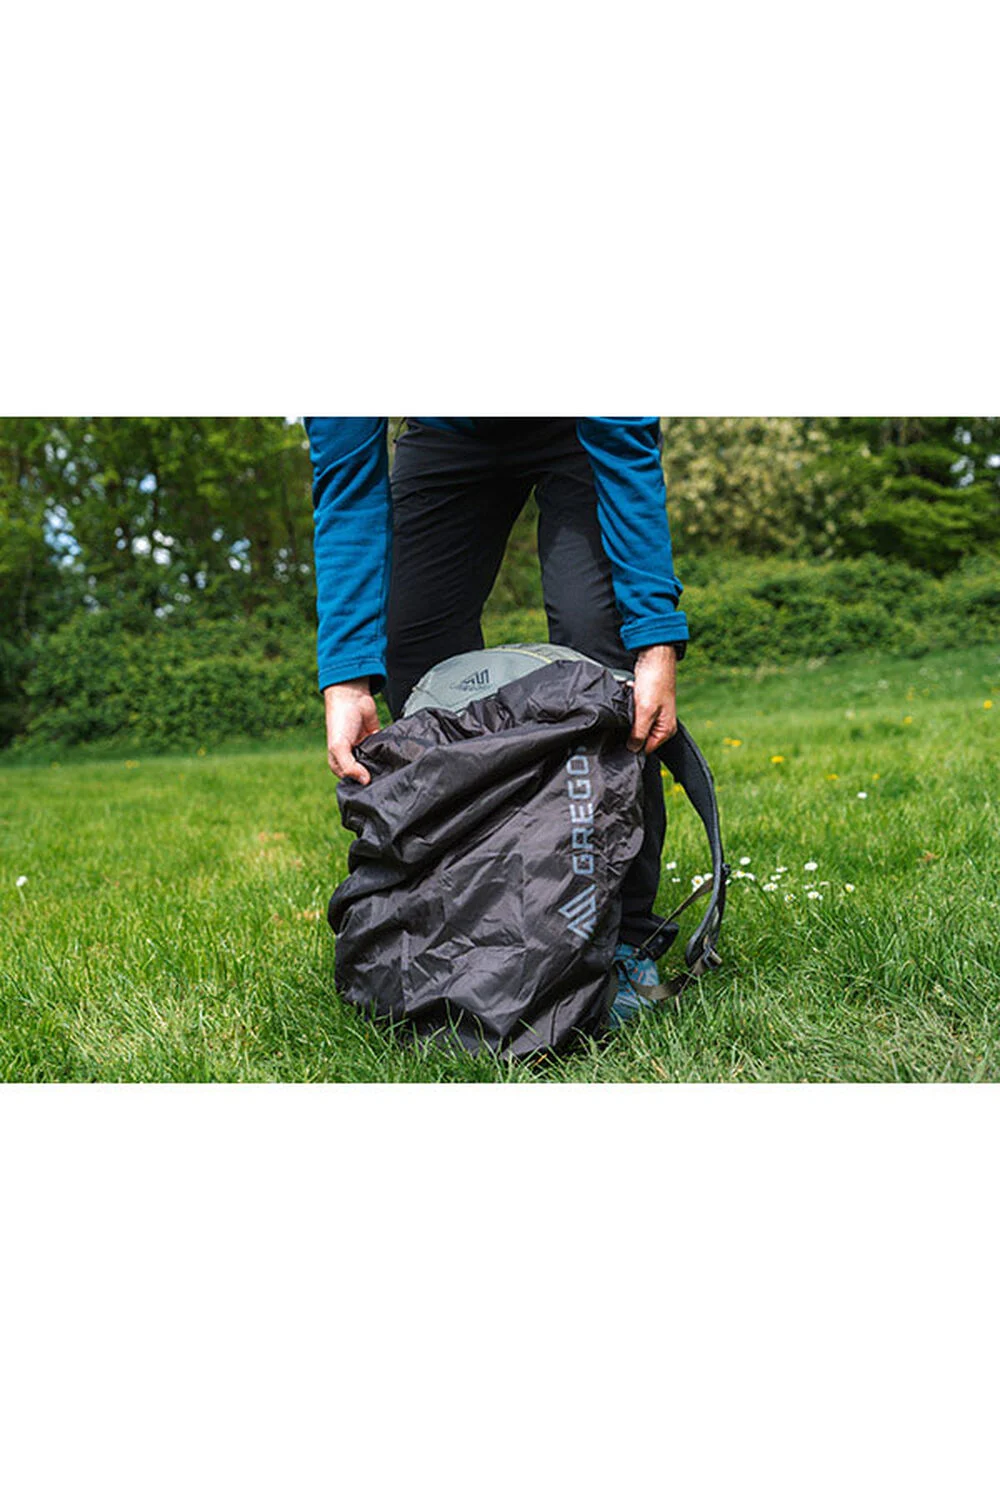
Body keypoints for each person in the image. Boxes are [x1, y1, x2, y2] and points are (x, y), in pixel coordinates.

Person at [306, 417, 688, 1025]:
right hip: (447, 429)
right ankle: (462, 919)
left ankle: (623, 936)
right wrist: (346, 677)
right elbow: (347, 481)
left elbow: (623, 440)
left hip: (578, 424)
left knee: (601, 646)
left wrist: (653, 640)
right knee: (412, 646)